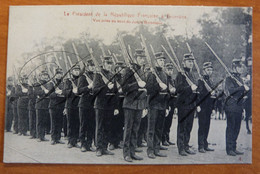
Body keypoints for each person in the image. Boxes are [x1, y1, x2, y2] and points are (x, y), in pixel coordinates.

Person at [121, 49, 147, 162]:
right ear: (135, 58)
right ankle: (126, 153)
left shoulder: (142, 71)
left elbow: (145, 89)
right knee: (128, 129)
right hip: (130, 104)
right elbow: (124, 87)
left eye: (143, 58)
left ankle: (132, 152)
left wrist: (144, 106)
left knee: (135, 129)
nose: (142, 60)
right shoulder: (128, 70)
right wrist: (136, 84)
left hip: (139, 105)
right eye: (140, 58)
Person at [93, 56, 118, 157]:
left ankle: (105, 147)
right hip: (100, 104)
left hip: (110, 105)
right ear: (103, 64)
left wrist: (116, 107)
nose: (109, 65)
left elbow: (115, 92)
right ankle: (99, 148)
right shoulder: (98, 75)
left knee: (108, 127)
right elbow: (94, 90)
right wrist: (106, 87)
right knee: (100, 127)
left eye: (110, 64)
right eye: (107, 63)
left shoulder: (112, 75)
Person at [146, 52, 169, 159]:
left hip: (162, 105)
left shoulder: (164, 74)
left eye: (163, 61)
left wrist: (167, 106)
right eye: (160, 60)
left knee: (159, 128)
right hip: (153, 104)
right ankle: (150, 150)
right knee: (151, 129)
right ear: (155, 62)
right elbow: (149, 89)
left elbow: (167, 91)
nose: (162, 62)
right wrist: (158, 85)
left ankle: (156, 148)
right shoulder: (151, 74)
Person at [175, 54, 199, 156]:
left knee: (189, 126)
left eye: (192, 61)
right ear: (184, 63)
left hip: (191, 104)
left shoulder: (192, 75)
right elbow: (178, 89)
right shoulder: (180, 74)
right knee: (182, 127)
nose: (191, 63)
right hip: (183, 104)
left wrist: (196, 103)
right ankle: (181, 148)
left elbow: (195, 91)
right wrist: (190, 88)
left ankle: (186, 145)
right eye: (189, 61)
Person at [225, 58, 249, 156]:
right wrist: (242, 88)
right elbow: (231, 91)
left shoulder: (239, 79)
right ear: (234, 67)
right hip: (231, 105)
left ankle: (233, 147)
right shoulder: (229, 78)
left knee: (237, 128)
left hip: (239, 106)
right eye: (239, 67)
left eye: (241, 67)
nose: (241, 69)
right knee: (231, 127)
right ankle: (229, 148)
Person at [197, 62, 215, 153]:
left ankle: (205, 144)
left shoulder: (210, 81)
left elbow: (213, 97)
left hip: (208, 107)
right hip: (202, 106)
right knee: (202, 125)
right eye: (208, 70)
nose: (210, 71)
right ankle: (200, 145)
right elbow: (199, 94)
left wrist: (213, 108)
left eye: (211, 70)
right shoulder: (201, 81)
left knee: (207, 125)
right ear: (204, 71)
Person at [78, 60, 96, 152]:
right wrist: (88, 87)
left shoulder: (95, 76)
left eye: (93, 66)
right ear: (87, 67)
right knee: (83, 125)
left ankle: (89, 144)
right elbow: (79, 90)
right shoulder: (82, 77)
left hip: (93, 104)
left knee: (91, 125)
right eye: (90, 66)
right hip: (84, 103)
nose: (92, 67)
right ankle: (83, 144)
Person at [109, 61, 126, 150]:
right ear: (116, 69)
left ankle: (118, 141)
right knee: (113, 123)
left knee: (121, 123)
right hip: (115, 103)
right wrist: (115, 107)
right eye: (120, 68)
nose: (121, 70)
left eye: (122, 68)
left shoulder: (124, 78)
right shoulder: (113, 78)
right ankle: (112, 142)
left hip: (123, 102)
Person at [64, 64, 81, 148]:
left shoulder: (81, 79)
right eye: (75, 70)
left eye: (78, 70)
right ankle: (70, 141)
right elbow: (65, 92)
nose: (77, 71)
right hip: (71, 104)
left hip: (79, 104)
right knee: (71, 123)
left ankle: (75, 140)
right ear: (72, 71)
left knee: (77, 123)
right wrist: (72, 91)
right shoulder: (68, 81)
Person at [49, 67, 66, 145]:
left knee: (60, 122)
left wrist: (62, 92)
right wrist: (57, 93)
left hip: (61, 105)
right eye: (58, 74)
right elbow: (50, 94)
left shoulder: (63, 83)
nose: (59, 75)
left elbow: (65, 93)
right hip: (53, 105)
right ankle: (53, 138)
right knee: (54, 122)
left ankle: (58, 138)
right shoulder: (51, 83)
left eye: (60, 74)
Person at [162, 63, 176, 146]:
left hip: (172, 103)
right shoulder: (165, 79)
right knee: (164, 122)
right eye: (168, 70)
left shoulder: (172, 80)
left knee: (169, 122)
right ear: (165, 70)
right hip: (166, 102)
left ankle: (167, 138)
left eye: (171, 70)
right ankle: (163, 139)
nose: (170, 71)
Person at [34, 70, 51, 142]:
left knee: (45, 121)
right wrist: (44, 91)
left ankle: (43, 136)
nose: (45, 76)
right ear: (40, 76)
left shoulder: (48, 84)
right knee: (39, 121)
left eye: (46, 75)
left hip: (46, 104)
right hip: (40, 105)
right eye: (43, 75)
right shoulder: (37, 84)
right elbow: (36, 92)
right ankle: (39, 136)